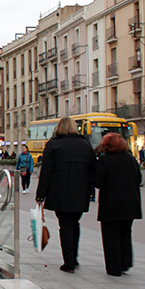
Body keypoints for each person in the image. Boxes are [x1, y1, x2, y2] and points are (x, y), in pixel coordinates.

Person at [35, 117, 96, 274]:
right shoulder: (85, 145)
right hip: (80, 191)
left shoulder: (53, 145)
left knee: (65, 224)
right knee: (75, 223)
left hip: (60, 192)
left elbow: (46, 172)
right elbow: (93, 169)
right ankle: (73, 257)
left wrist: (40, 194)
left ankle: (68, 261)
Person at [92, 133, 142, 276]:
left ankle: (114, 267)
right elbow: (138, 179)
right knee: (126, 233)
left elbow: (97, 182)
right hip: (130, 203)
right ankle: (125, 262)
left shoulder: (105, 161)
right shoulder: (131, 159)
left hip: (111, 204)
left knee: (110, 235)